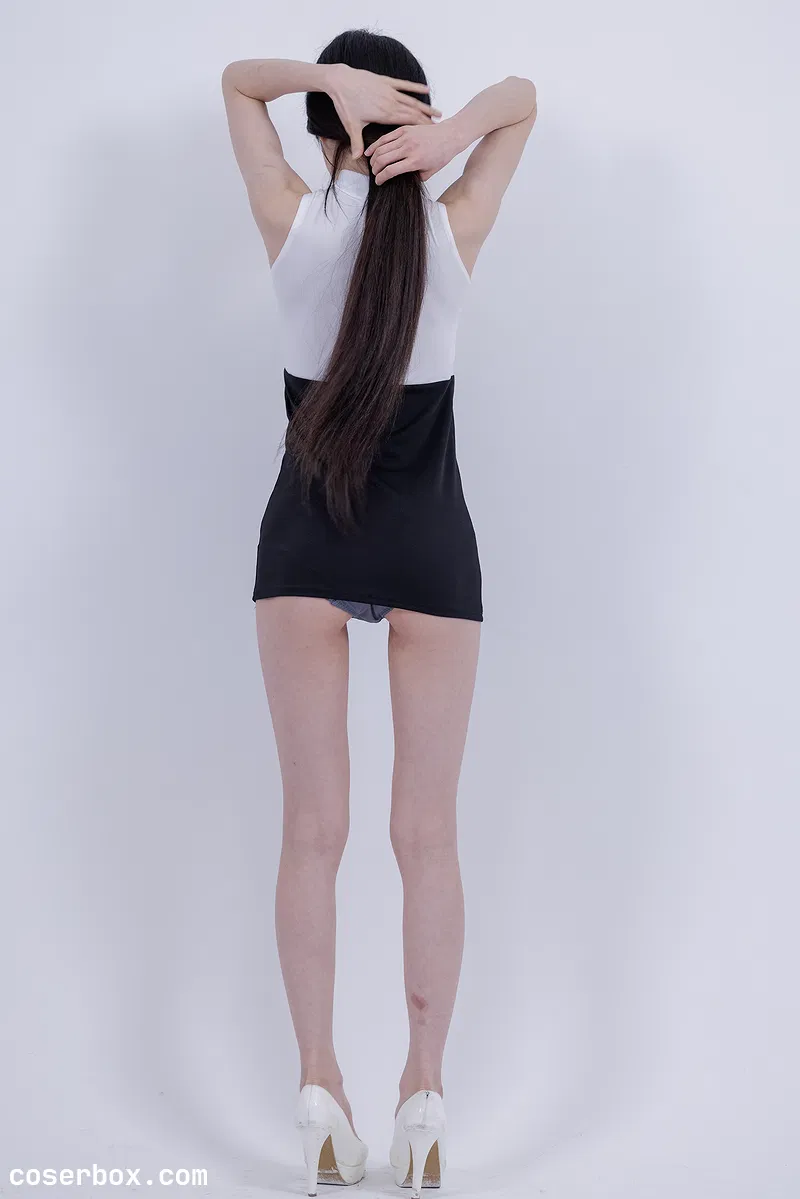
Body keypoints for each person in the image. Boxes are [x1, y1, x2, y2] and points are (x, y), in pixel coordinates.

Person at [221, 28, 537, 1197]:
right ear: (414, 123)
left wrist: (320, 83)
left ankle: (319, 1085)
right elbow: (522, 98)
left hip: (304, 543)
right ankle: (423, 1091)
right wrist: (453, 133)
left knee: (312, 831)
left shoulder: (292, 225)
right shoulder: (452, 235)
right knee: (427, 837)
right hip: (430, 549)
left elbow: (233, 85)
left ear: (325, 135)